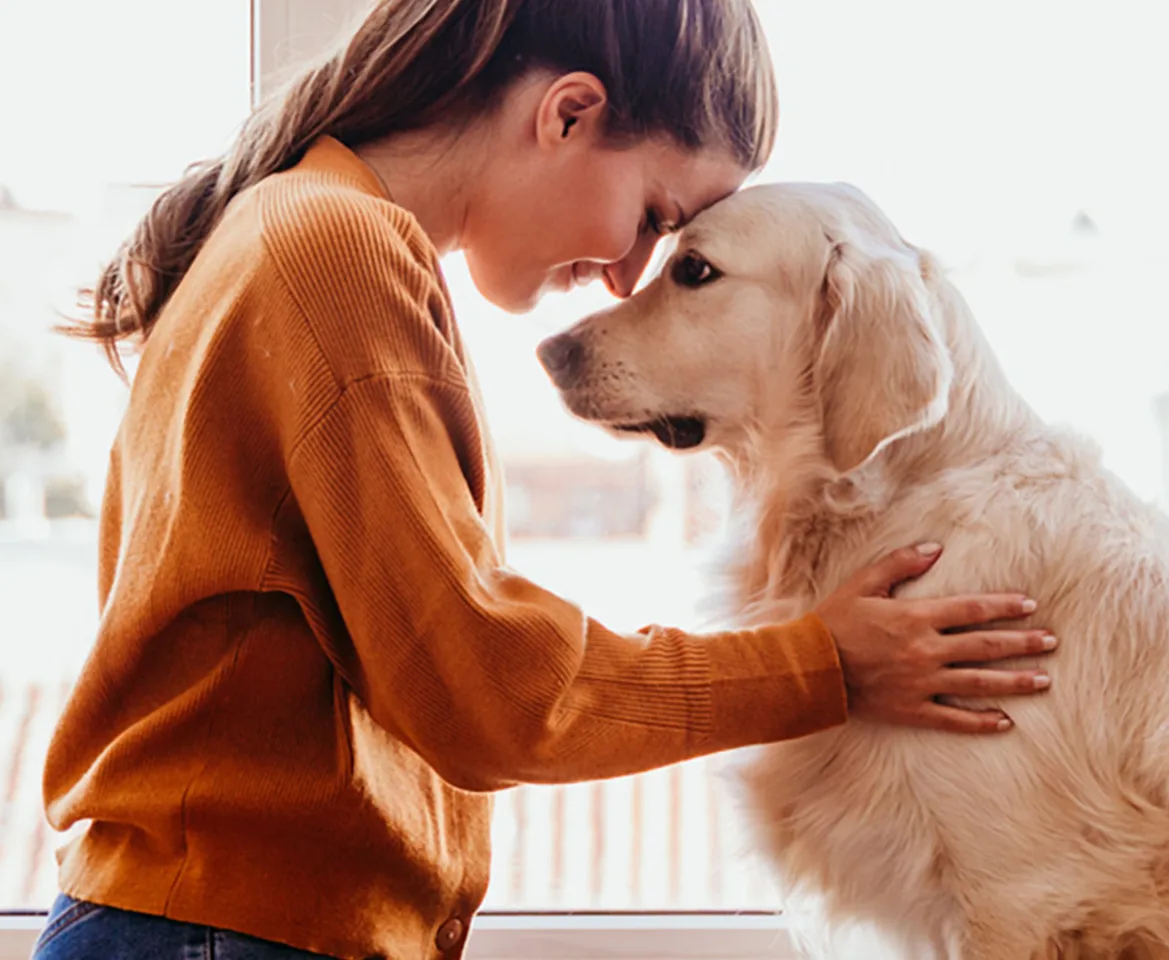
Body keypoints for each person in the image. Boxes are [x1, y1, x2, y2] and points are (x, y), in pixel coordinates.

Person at [33, 1, 1058, 957]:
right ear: (569, 114)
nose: (625, 277)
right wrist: (819, 665)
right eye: (657, 218)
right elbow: (488, 690)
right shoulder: (335, 253)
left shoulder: (313, 232)